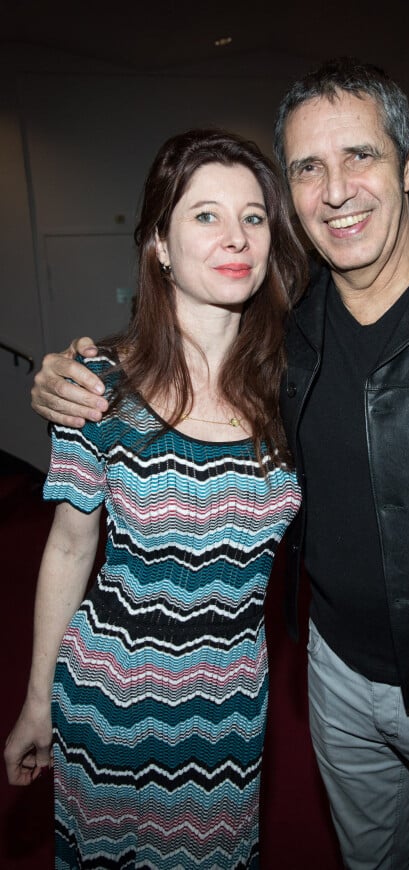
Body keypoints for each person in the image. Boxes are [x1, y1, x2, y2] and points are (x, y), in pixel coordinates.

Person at [27, 58, 409, 870]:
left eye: (360, 156)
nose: (336, 190)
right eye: (307, 169)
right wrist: (60, 376)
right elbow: (131, 442)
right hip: (327, 683)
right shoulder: (294, 330)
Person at [4, 128, 306, 869]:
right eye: (205, 215)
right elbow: (70, 547)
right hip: (112, 701)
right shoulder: (100, 388)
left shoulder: (294, 388)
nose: (235, 235)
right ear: (160, 245)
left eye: (254, 216)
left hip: (233, 708)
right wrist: (38, 700)